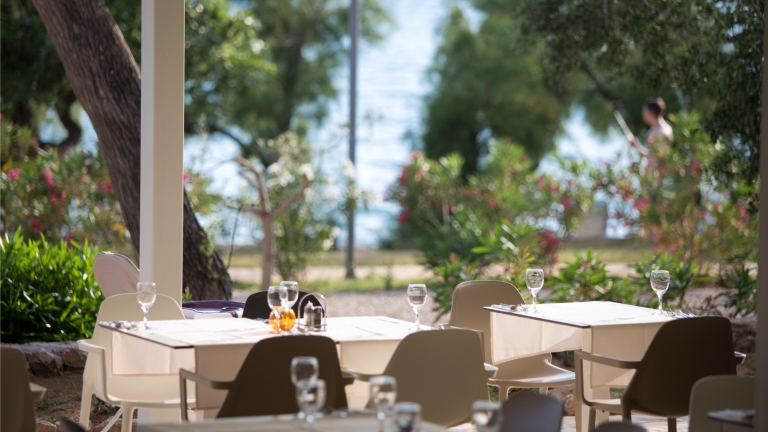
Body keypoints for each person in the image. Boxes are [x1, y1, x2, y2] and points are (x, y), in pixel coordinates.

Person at [629, 97, 673, 173]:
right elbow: (652, 154)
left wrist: (637, 147)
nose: (642, 112)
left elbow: (659, 158)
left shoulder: (663, 132)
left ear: (650, 112)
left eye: (644, 110)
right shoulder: (653, 130)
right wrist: (637, 146)